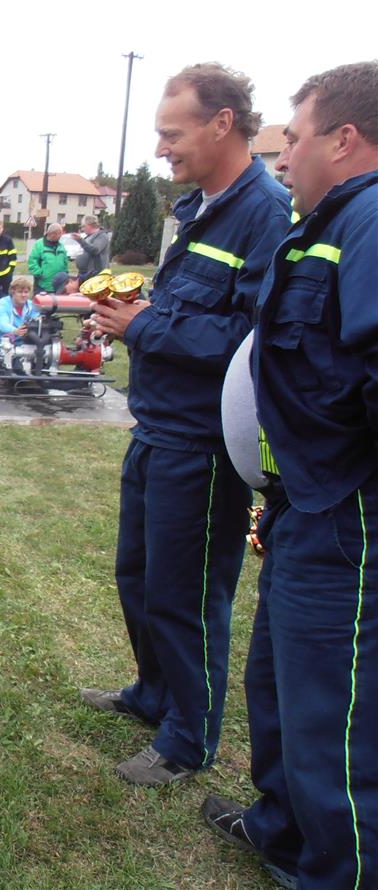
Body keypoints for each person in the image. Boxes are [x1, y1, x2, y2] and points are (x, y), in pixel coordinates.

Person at [83, 63, 292, 786]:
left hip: (201, 444)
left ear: (222, 124)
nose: (161, 149)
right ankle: (153, 693)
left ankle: (187, 738)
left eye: (172, 134)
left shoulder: (265, 215)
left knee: (188, 594)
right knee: (139, 576)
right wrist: (131, 318)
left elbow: (254, 341)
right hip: (157, 427)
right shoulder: (200, 207)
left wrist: (144, 327)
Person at [202, 61, 378, 890]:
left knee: (334, 716)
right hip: (303, 502)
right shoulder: (327, 224)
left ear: (344, 139)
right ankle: (281, 830)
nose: (283, 157)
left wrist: (337, 490)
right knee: (277, 683)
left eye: (295, 138)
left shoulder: (371, 221)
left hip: (347, 511)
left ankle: (338, 872)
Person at [0, 275, 38, 369]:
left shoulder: (31, 306)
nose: (23, 295)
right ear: (13, 292)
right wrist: (15, 331)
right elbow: (3, 325)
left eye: (26, 292)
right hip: (2, 347)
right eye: (20, 292)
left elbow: (38, 320)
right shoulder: (2, 305)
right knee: (19, 372)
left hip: (25, 345)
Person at [27, 223, 70, 293]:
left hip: (59, 286)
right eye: (59, 234)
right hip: (42, 285)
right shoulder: (39, 245)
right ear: (52, 234)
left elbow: (65, 262)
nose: (61, 236)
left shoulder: (61, 246)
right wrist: (40, 274)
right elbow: (32, 261)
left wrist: (65, 274)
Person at [70, 215, 110, 282]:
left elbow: (95, 250)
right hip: (84, 273)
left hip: (95, 275)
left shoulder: (102, 236)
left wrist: (80, 240)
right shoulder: (88, 236)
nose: (82, 229)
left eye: (83, 226)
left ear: (90, 225)